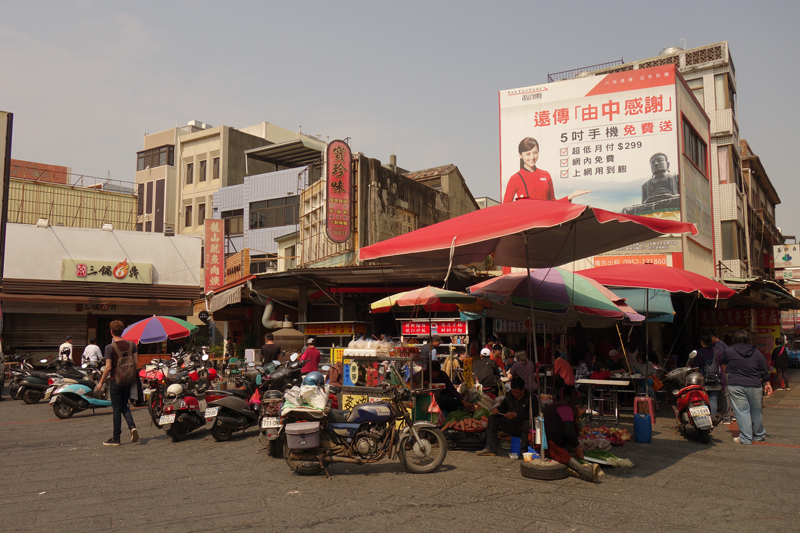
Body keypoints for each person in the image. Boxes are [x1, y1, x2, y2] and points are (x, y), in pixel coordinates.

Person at [720, 330, 772, 445]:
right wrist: (767, 383)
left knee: (742, 411)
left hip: (736, 384)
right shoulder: (756, 352)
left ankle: (746, 438)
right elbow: (763, 369)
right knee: (756, 411)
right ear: (748, 339)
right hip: (755, 384)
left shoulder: (728, 351)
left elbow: (722, 363)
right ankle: (758, 435)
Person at [503, 137, 590, 204]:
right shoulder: (515, 178)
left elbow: (552, 203)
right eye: (528, 154)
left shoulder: (545, 175)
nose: (532, 157)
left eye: (535, 153)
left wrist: (570, 196)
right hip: (527, 224)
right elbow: (506, 207)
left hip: (546, 223)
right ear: (520, 155)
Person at [96, 320, 141, 446]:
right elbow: (136, 364)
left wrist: (101, 382)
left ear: (111, 332)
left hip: (116, 381)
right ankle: (132, 427)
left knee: (116, 409)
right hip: (128, 380)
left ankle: (116, 438)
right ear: (123, 331)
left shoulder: (109, 347)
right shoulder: (132, 345)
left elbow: (108, 367)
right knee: (124, 405)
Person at [542, 401, 600, 482]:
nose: (580, 416)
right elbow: (569, 431)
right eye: (581, 413)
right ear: (577, 407)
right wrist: (576, 447)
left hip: (552, 434)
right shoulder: (566, 409)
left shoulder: (568, 410)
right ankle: (585, 472)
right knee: (560, 453)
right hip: (540, 436)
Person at [476, 377, 531, 456]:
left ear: (523, 390)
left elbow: (534, 417)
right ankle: (491, 448)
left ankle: (524, 450)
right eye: (513, 392)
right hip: (511, 425)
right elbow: (502, 409)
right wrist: (497, 410)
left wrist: (516, 414)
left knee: (527, 423)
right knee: (492, 418)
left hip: (523, 427)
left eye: (517, 392)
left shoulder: (530, 398)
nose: (515, 394)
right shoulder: (509, 396)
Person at [709, 332, 732, 424]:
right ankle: (726, 416)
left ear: (712, 336)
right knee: (722, 395)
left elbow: (723, 363)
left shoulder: (718, 346)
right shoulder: (722, 344)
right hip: (726, 372)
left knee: (724, 395)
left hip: (724, 372)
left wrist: (722, 374)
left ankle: (727, 417)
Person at [697, 335, 723, 416]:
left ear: (702, 342)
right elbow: (722, 366)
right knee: (713, 400)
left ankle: (705, 418)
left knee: (704, 400)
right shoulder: (718, 352)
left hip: (703, 381)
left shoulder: (698, 352)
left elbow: (695, 367)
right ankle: (713, 419)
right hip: (716, 380)